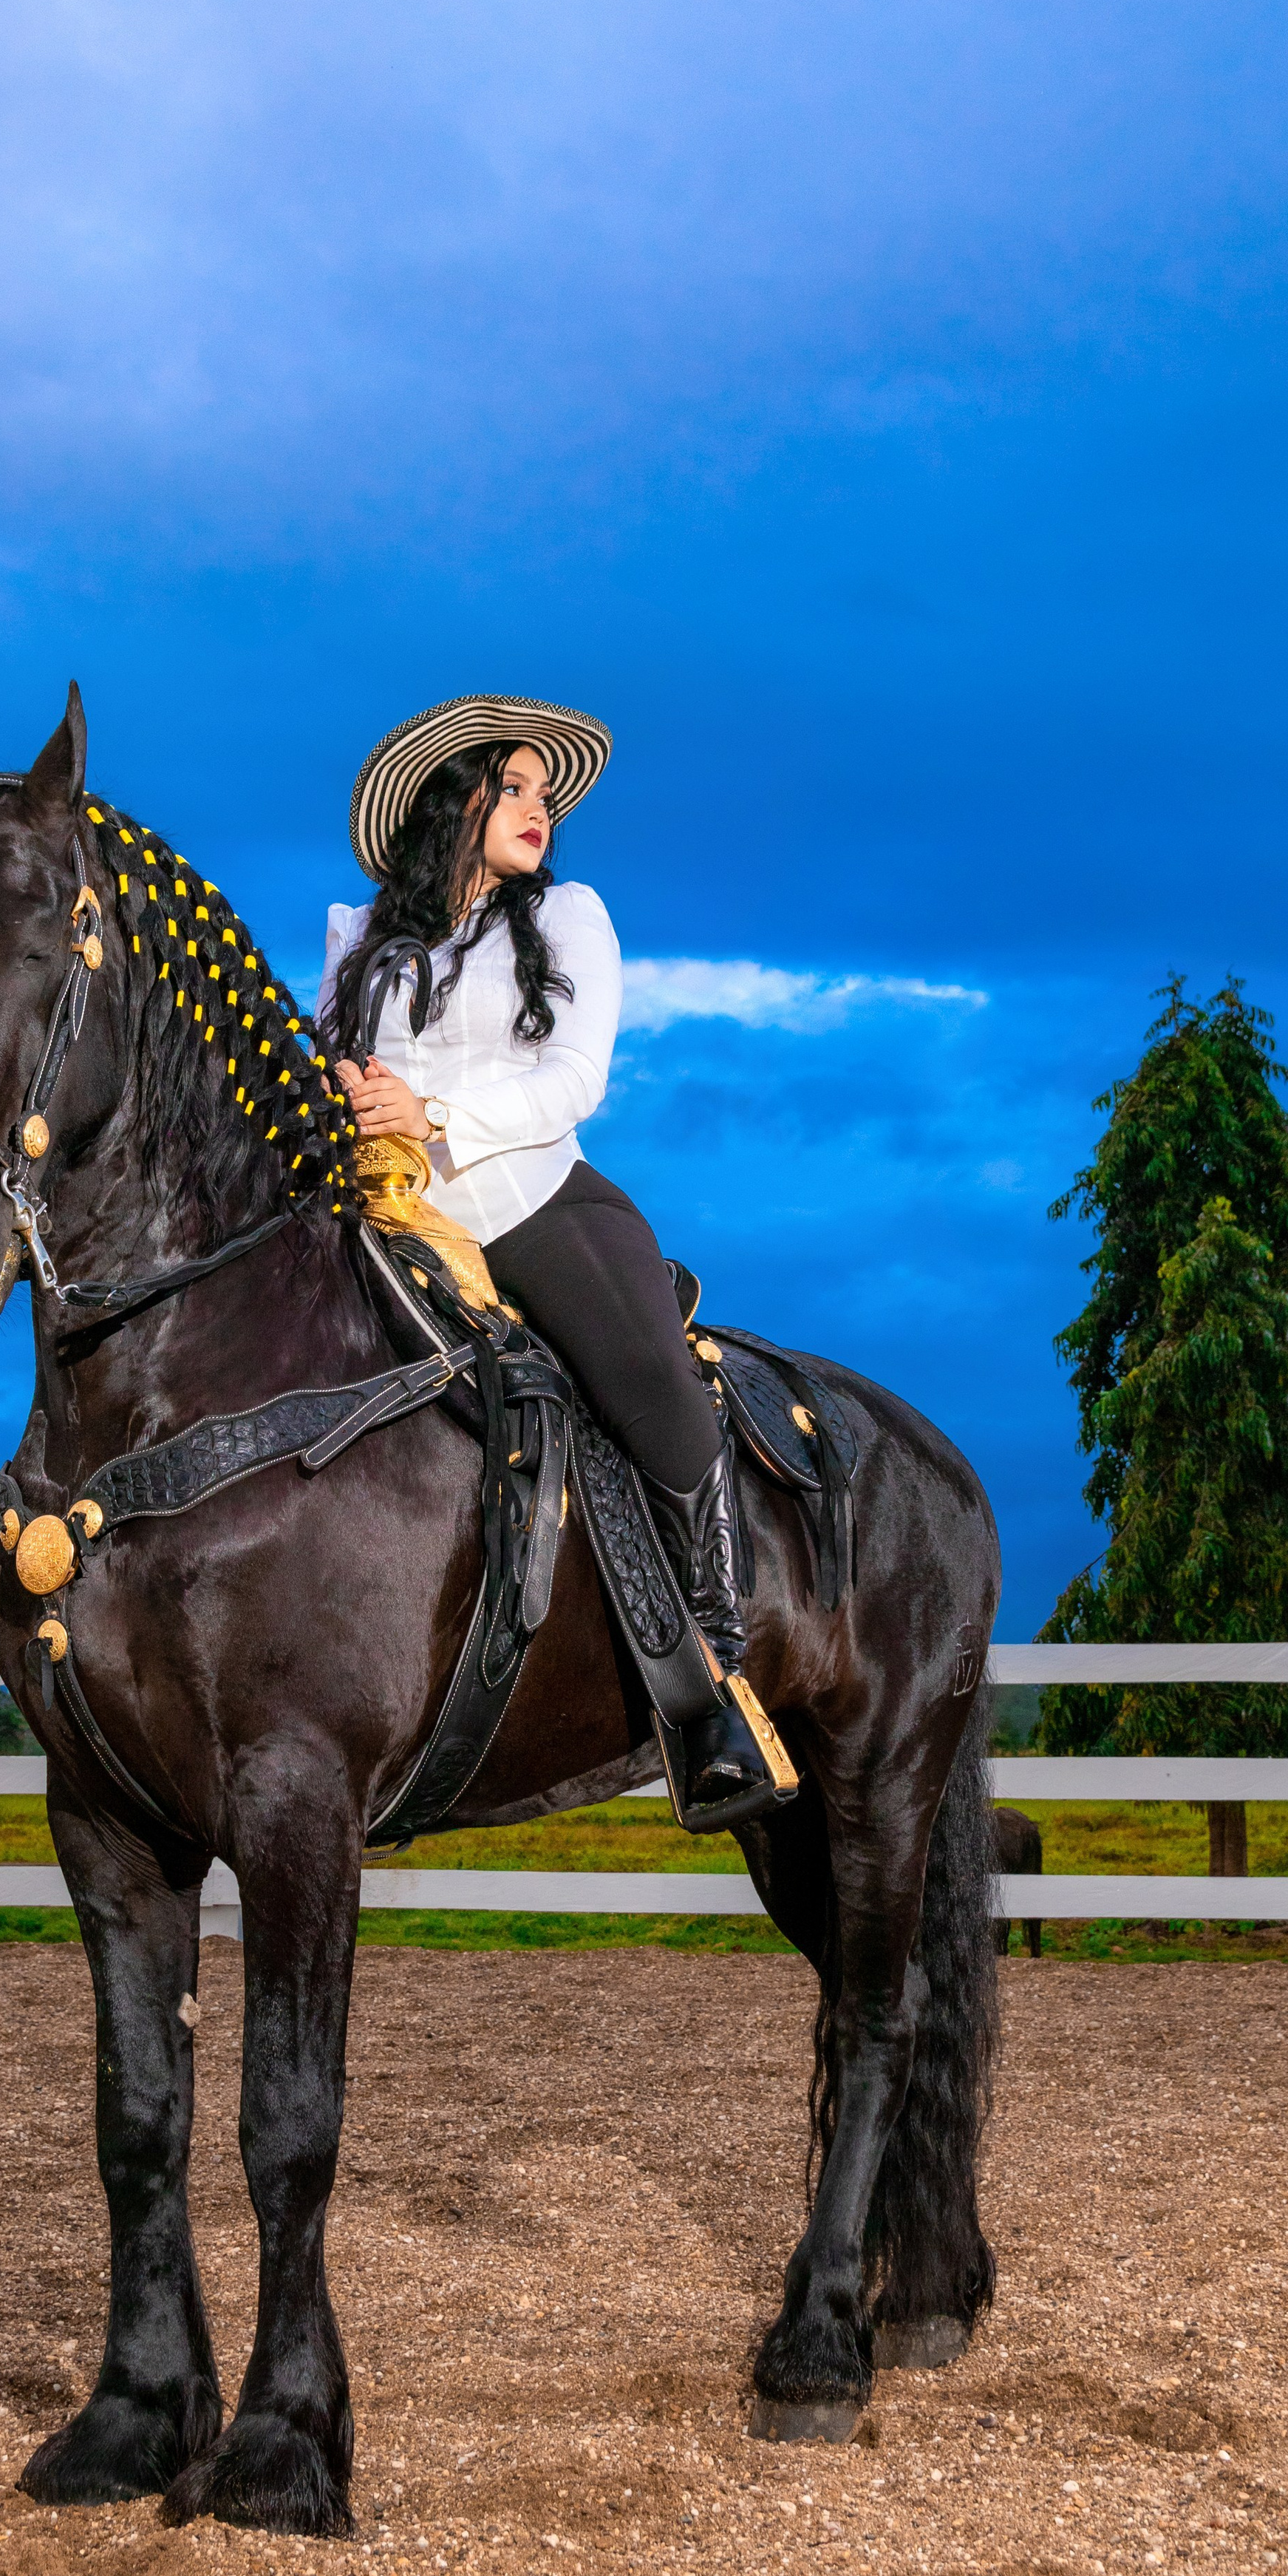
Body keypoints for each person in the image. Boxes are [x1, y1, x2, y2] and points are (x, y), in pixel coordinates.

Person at [321, 691, 783, 1824]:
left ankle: (715, 1677)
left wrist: (431, 1113)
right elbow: (331, 1075)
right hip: (386, 1218)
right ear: (453, 801)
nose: (541, 811)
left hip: (534, 1203)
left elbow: (575, 1080)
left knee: (658, 1391)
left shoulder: (570, 916)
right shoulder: (356, 940)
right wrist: (345, 1100)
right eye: (513, 788)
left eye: (545, 794)